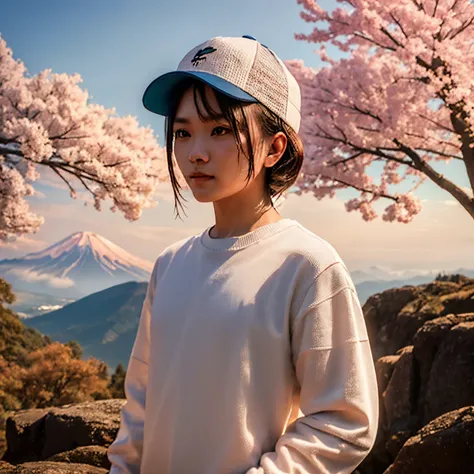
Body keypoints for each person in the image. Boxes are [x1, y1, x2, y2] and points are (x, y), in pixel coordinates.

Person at [107, 35, 379, 474]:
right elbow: (140, 401)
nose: (195, 153)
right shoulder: (170, 265)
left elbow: (346, 422)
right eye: (182, 132)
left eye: (219, 130)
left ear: (275, 147)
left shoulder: (307, 265)